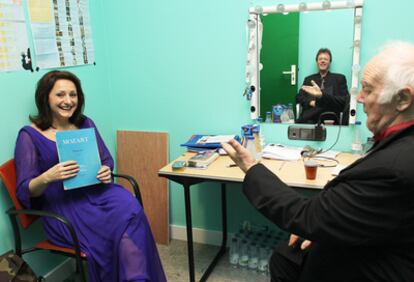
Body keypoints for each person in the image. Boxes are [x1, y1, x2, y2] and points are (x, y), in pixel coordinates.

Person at [222, 41, 414, 281]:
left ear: (403, 99)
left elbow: (306, 216)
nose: (361, 99)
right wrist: (331, 224)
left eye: (368, 89)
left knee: (287, 257)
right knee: (285, 257)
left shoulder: (393, 168)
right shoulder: (399, 144)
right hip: (375, 241)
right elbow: (300, 99)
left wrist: (251, 168)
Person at [14, 70, 166, 282]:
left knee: (130, 209)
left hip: (97, 192)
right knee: (114, 229)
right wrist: (47, 176)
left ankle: (136, 277)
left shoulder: (85, 123)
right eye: (60, 95)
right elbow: (24, 190)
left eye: (73, 95)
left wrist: (104, 169)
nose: (68, 101)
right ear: (45, 97)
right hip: (64, 206)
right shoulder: (28, 136)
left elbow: (106, 159)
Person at [296, 48, 350, 125]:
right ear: (317, 62)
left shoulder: (339, 78)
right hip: (310, 119)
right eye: (320, 59)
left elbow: (344, 100)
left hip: (331, 117)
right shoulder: (309, 79)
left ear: (329, 62)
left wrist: (324, 100)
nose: (322, 61)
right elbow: (299, 97)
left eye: (325, 59)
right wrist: (311, 102)